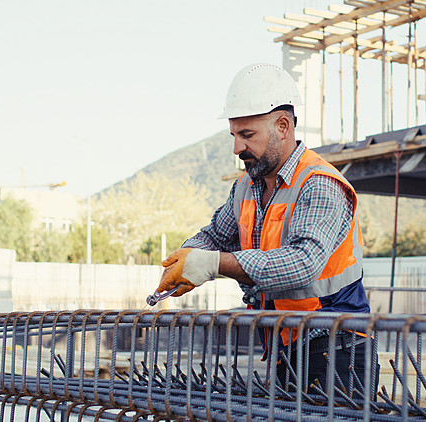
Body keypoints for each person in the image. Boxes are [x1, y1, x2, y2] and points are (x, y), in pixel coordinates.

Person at [156, 63, 377, 392]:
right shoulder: (248, 186)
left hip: (337, 348)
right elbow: (216, 235)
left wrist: (215, 264)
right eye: (234, 135)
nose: (237, 148)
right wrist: (187, 255)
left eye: (247, 135)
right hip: (285, 344)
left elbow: (303, 264)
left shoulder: (319, 183)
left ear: (283, 126)